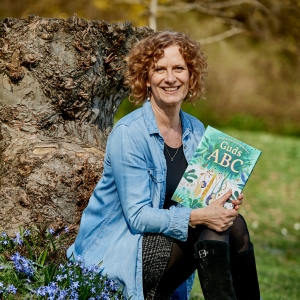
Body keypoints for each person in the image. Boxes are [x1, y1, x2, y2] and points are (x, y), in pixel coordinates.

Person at [67, 30, 260, 300]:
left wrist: (221, 202)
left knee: (233, 223)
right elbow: (137, 217)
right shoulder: (129, 133)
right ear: (146, 78)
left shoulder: (194, 129)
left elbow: (197, 199)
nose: (170, 78)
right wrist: (202, 216)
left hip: (168, 244)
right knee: (209, 227)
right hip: (120, 252)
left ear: (190, 76)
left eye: (179, 68)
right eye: (159, 69)